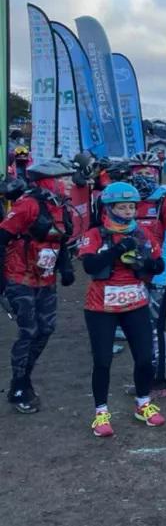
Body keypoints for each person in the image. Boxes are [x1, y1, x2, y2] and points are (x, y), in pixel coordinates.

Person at [78, 182, 166, 437]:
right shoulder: (96, 233)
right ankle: (101, 413)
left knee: (145, 357)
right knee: (102, 360)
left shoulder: (142, 233)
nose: (128, 212)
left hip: (135, 303)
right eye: (122, 207)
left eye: (131, 207)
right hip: (101, 306)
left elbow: (159, 264)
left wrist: (143, 262)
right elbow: (90, 266)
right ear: (109, 208)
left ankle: (143, 403)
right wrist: (117, 250)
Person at [0, 159, 76, 413]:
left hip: (45, 279)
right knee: (29, 331)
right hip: (19, 278)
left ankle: (24, 378)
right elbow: (1, 238)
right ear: (49, 181)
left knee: (46, 329)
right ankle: (19, 386)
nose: (70, 183)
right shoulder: (28, 205)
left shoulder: (62, 207)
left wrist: (66, 268)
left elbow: (60, 241)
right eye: (64, 178)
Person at [130, 152, 166, 398]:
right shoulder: (127, 200)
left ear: (157, 174)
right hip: (134, 274)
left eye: (148, 172)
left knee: (155, 327)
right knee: (138, 327)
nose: (143, 177)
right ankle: (143, 377)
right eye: (138, 172)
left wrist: (161, 275)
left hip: (161, 274)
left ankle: (159, 380)